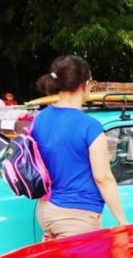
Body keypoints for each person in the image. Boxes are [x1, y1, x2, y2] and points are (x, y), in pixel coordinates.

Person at [33, 55, 127, 240]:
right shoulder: (89, 126)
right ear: (85, 84)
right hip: (76, 217)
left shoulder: (40, 118)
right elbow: (103, 178)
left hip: (47, 210)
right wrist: (122, 220)